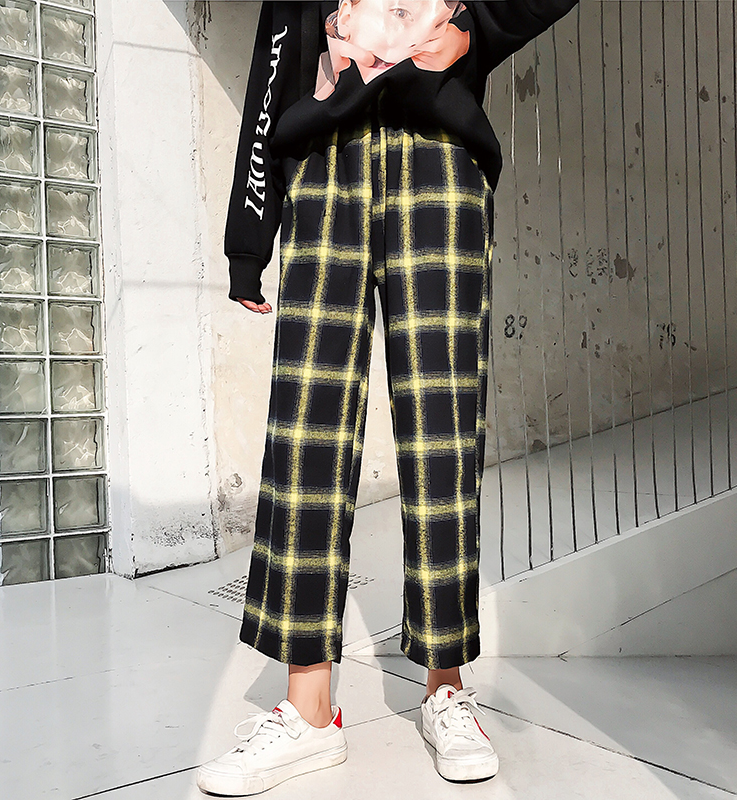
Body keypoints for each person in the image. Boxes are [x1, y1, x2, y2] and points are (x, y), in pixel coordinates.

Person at [197, 1, 579, 795]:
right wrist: (248, 239)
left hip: (440, 160)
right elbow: (275, 61)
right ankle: (309, 712)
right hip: (324, 164)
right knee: (307, 437)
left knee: (442, 433)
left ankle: (446, 690)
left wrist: (476, 31)